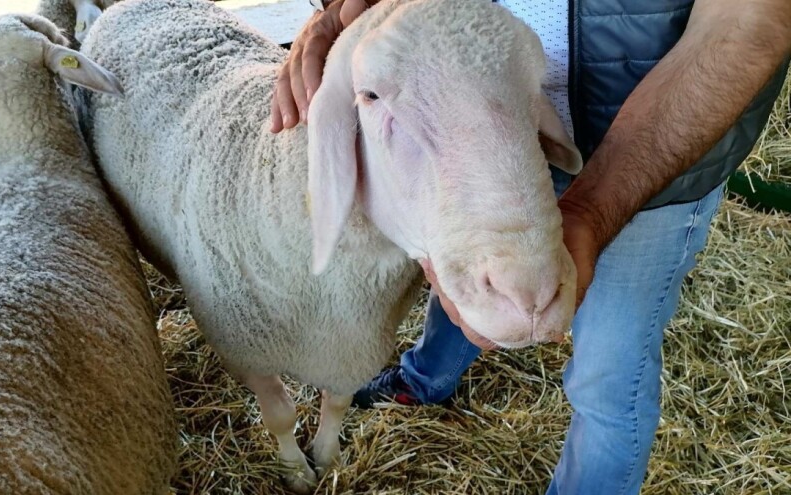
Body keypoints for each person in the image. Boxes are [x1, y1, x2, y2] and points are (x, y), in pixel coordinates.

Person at [270, 0, 791, 493]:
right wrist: (348, 17)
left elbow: (747, 21)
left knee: (608, 376)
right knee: (467, 280)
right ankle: (425, 378)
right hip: (477, 130)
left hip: (649, 173)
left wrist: (590, 212)